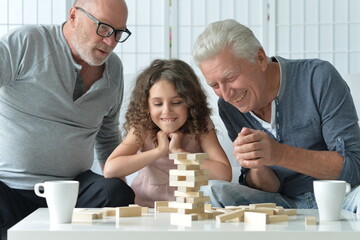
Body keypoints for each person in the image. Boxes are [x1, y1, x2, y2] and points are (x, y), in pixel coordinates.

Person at [191, 19, 360, 213]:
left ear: (260, 59)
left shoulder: (318, 77)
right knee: (210, 191)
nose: (226, 94)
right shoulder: (228, 107)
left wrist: (279, 154)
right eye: (214, 85)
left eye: (230, 78)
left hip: (341, 197)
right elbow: (268, 187)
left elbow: (354, 167)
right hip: (281, 202)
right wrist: (257, 164)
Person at [0, 0, 135, 238]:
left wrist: (124, 189)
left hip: (72, 190)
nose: (111, 42)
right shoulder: (27, 42)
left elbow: (107, 139)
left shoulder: (114, 69)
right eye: (103, 28)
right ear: (74, 16)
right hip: (8, 187)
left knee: (116, 193)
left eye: (118, 32)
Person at [104, 59, 232, 207]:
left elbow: (224, 173)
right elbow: (110, 170)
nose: (166, 111)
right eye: (158, 104)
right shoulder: (143, 126)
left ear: (190, 103)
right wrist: (159, 151)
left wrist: (179, 152)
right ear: (147, 106)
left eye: (176, 102)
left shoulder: (200, 125)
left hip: (188, 208)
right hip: (145, 206)